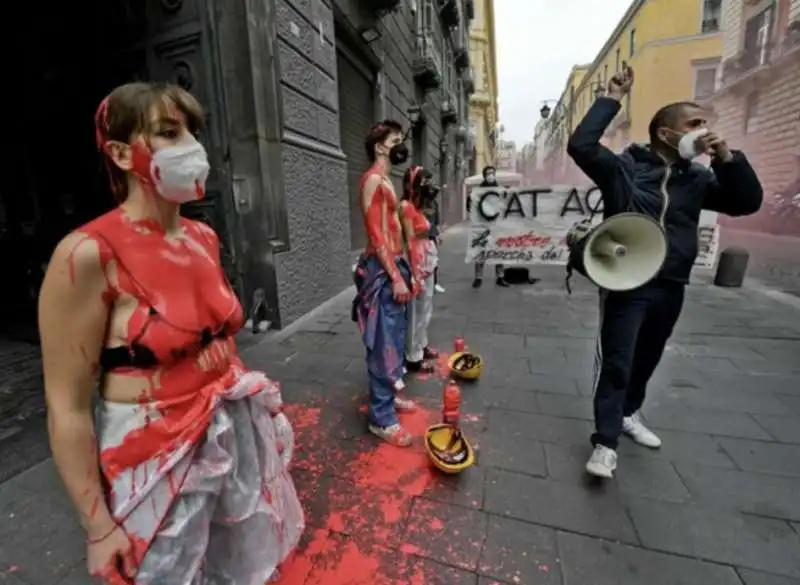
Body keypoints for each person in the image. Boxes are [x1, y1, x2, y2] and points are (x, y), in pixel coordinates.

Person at [38, 82, 304, 583]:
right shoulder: (86, 255)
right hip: (152, 454)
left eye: (192, 132)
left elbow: (216, 339)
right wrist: (98, 527)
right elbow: (67, 406)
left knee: (238, 562)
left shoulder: (203, 237)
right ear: (119, 153)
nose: (192, 147)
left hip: (231, 429)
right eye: (168, 132)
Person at [566, 65, 763, 479]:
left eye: (705, 124)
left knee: (648, 356)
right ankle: (605, 443)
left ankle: (629, 413)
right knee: (617, 360)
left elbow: (745, 201)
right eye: (694, 124)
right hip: (628, 281)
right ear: (665, 132)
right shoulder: (625, 168)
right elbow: (582, 146)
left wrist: (728, 158)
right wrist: (612, 99)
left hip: (672, 282)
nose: (703, 130)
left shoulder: (698, 178)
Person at [352, 119, 417, 447]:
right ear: (380, 146)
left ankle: (389, 397)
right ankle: (381, 417)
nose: (400, 145)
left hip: (394, 266)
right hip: (382, 269)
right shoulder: (374, 180)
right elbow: (377, 235)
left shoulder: (387, 180)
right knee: (383, 344)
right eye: (395, 140)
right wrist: (395, 277)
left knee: (395, 337)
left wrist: (408, 272)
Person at [400, 165, 440, 374]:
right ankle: (412, 357)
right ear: (411, 184)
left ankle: (422, 346)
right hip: (417, 263)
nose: (428, 186)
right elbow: (408, 241)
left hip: (427, 260)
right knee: (415, 313)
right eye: (424, 182)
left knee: (426, 307)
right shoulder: (405, 206)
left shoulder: (417, 206)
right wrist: (414, 275)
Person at [469, 165, 508, 288]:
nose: (491, 175)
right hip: (482, 224)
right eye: (488, 173)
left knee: (498, 250)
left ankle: (500, 277)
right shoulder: (478, 190)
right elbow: (470, 207)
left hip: (496, 224)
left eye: (492, 173)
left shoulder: (500, 189)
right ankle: (478, 277)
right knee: (480, 250)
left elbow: (505, 205)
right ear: (484, 175)